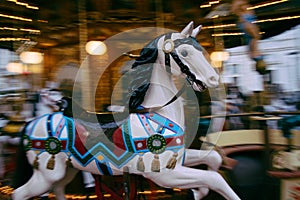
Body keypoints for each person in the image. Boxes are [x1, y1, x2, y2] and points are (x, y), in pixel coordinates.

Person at [231, 0, 268, 75]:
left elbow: (253, 41)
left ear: (260, 66)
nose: (266, 64)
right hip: (248, 29)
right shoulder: (255, 57)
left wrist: (256, 35)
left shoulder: (255, 56)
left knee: (245, 10)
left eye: (264, 66)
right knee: (246, 10)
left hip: (249, 30)